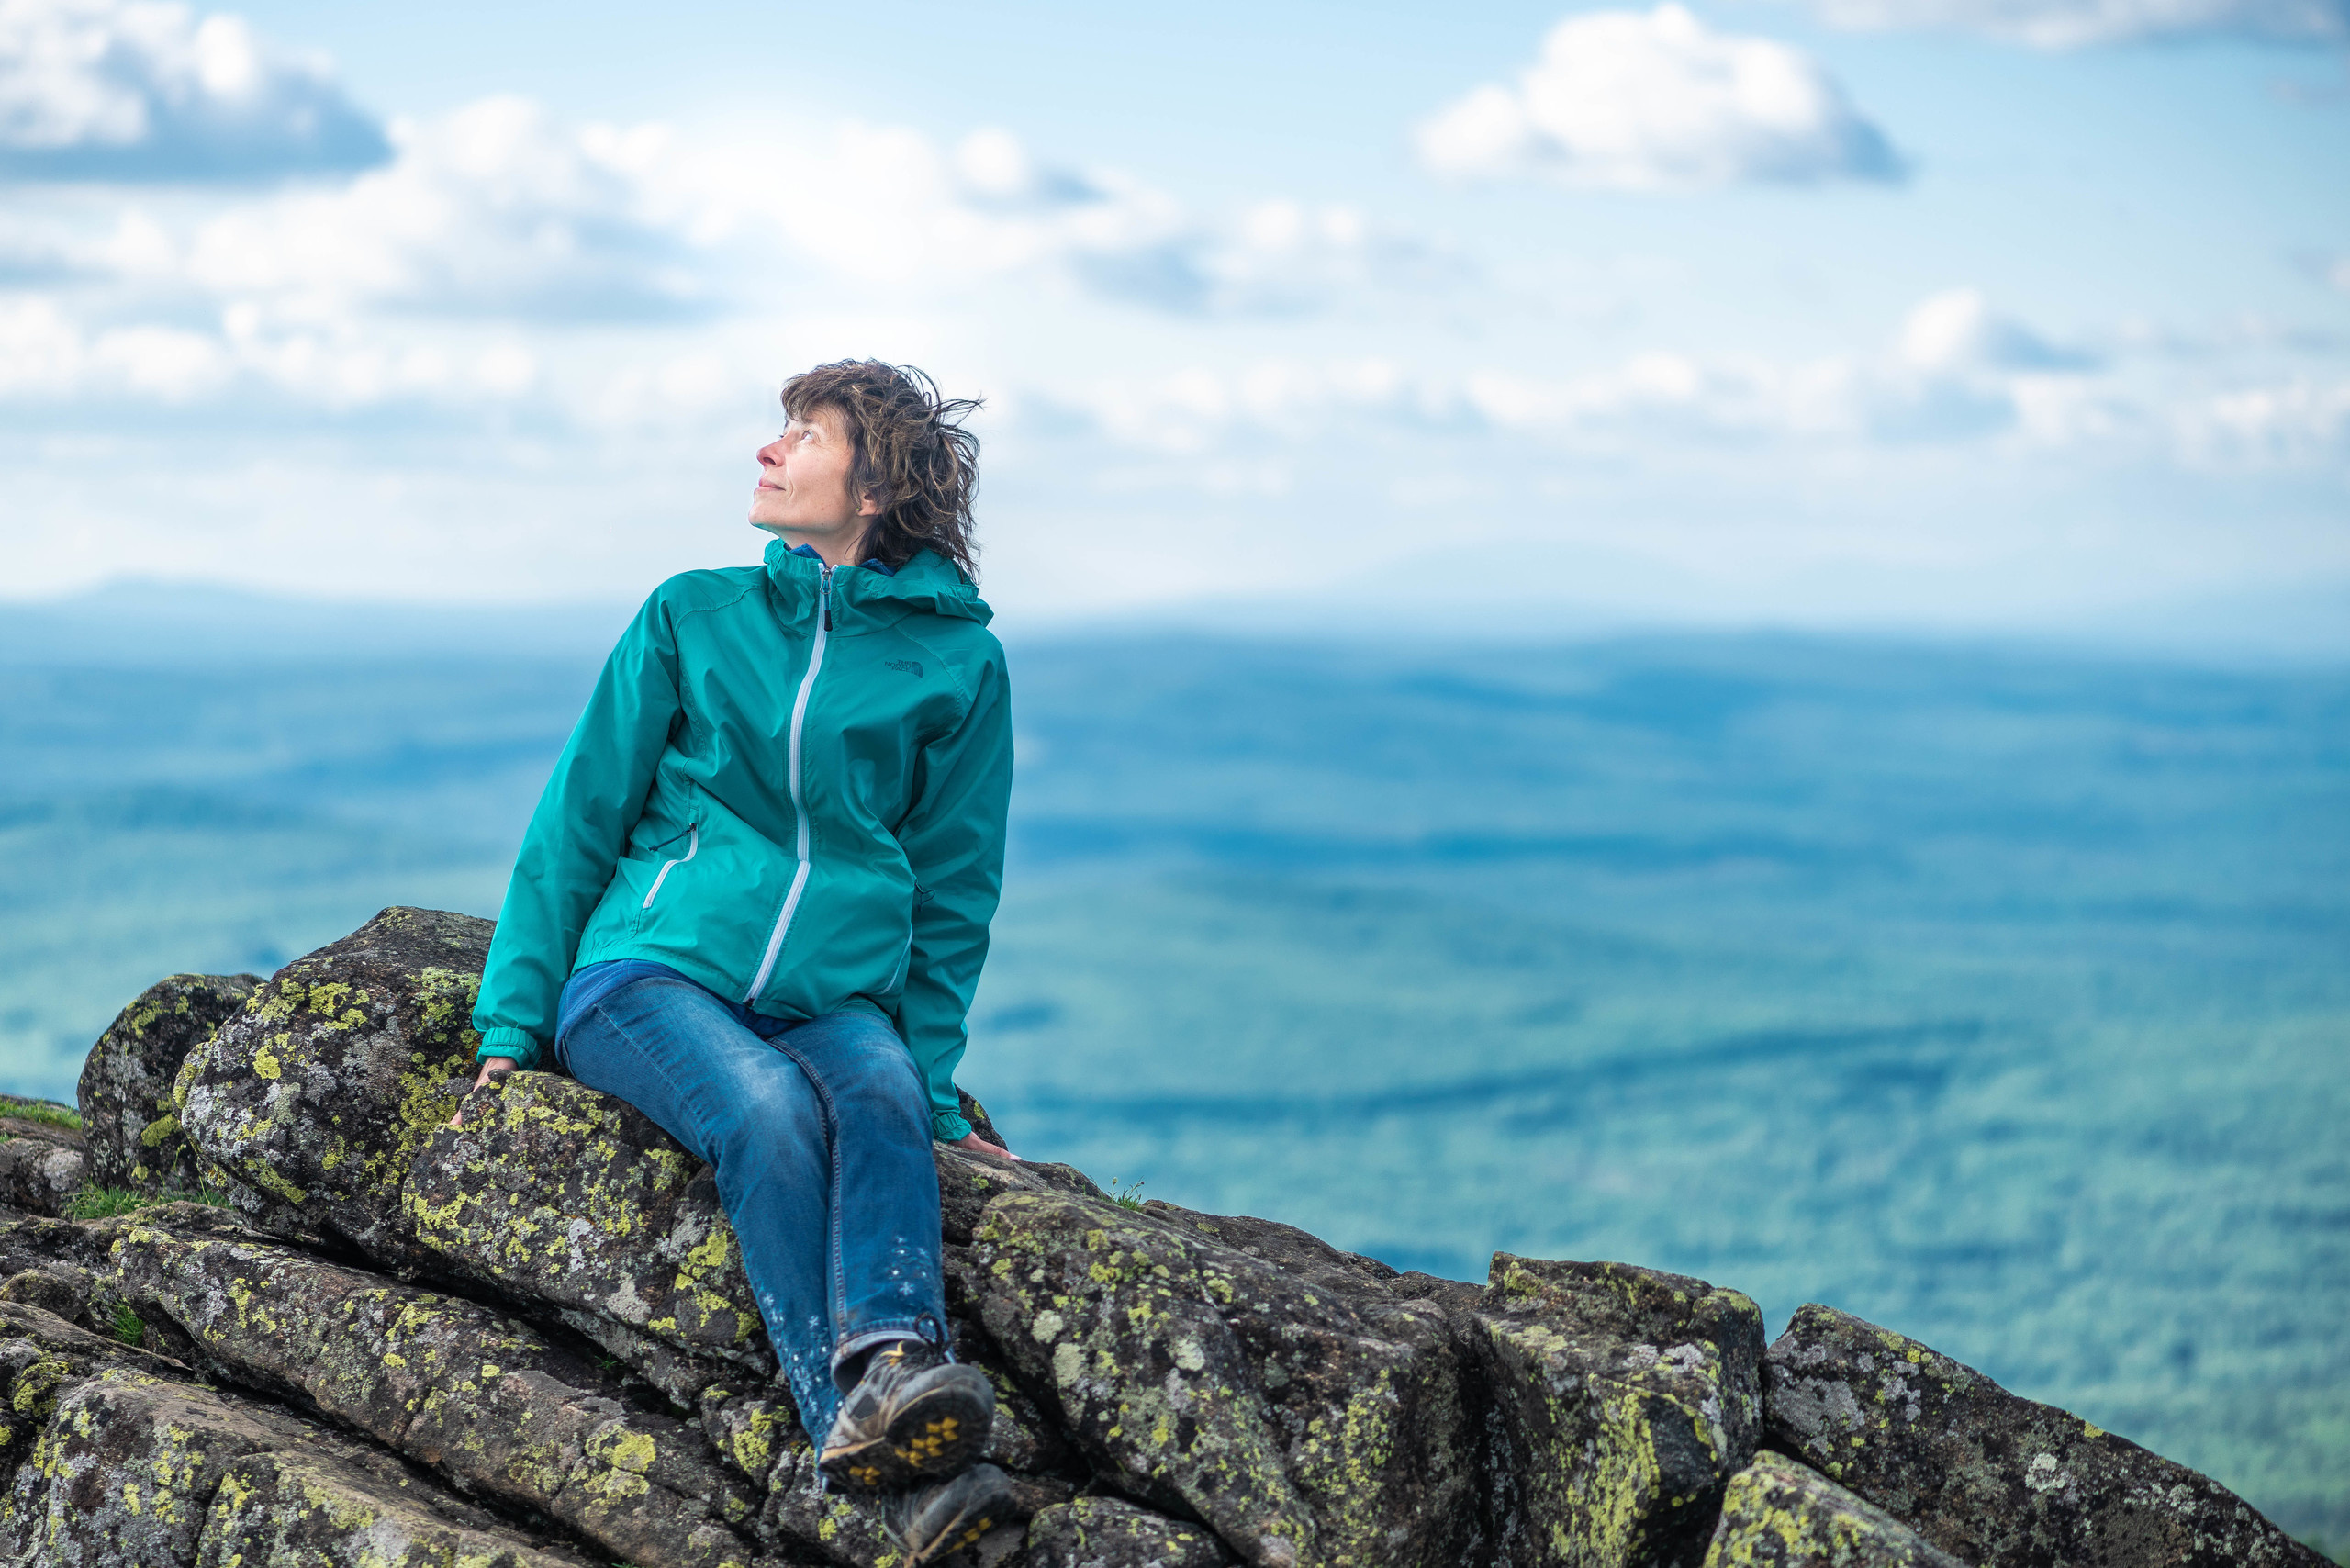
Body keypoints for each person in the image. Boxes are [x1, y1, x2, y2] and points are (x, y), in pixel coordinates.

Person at [458, 359, 1018, 1565]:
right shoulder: (693, 615)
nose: (771, 451)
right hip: (647, 975)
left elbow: (953, 891)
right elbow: (579, 816)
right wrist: (511, 1020)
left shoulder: (960, 666)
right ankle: (853, 1423)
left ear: (875, 489)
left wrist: (934, 1088)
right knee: (765, 1112)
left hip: (832, 996)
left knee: (878, 1094)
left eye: (805, 436)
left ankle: (897, 1364)